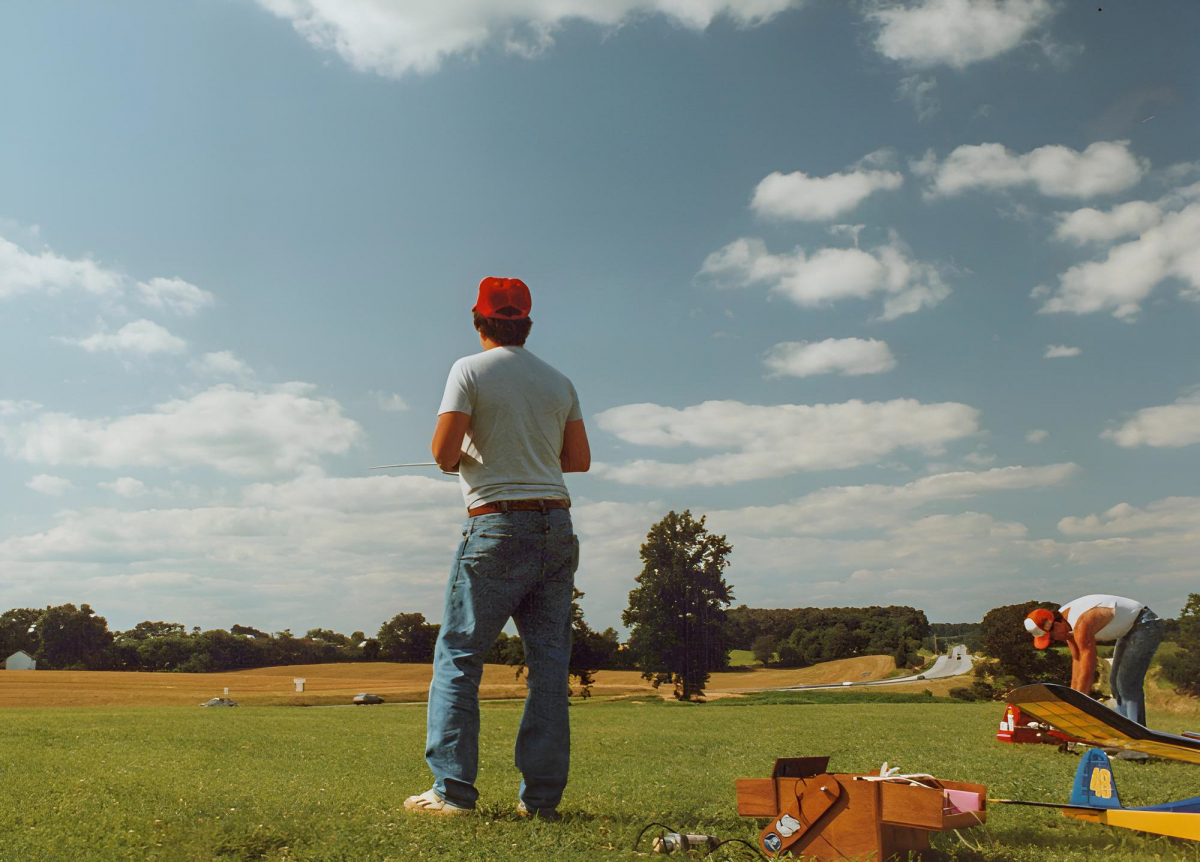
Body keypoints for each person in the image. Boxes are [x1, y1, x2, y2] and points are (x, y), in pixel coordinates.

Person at [404, 276, 590, 820]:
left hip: (497, 526)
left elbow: (443, 454)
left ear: (478, 320)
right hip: (557, 526)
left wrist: (468, 453)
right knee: (549, 666)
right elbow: (577, 461)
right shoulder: (559, 381)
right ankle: (542, 802)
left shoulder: (468, 369)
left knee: (459, 657)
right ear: (526, 323)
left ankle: (451, 792)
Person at [1024, 594, 1164, 725]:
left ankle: (1137, 732)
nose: (1054, 641)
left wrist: (1079, 703)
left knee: (1127, 683)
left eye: (1051, 637)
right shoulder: (1067, 626)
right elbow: (1077, 661)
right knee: (1114, 682)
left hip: (1146, 623)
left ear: (1056, 624)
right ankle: (1124, 727)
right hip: (1129, 629)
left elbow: (1088, 665)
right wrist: (1071, 700)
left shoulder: (1081, 623)